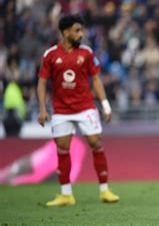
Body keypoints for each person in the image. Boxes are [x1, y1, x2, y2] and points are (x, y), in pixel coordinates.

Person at [37, 14, 119, 206]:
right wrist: (42, 109)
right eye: (77, 30)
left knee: (95, 142)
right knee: (63, 148)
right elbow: (42, 83)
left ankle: (105, 190)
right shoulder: (50, 55)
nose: (81, 34)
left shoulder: (87, 53)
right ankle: (66, 194)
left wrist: (105, 105)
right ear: (65, 33)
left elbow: (97, 80)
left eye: (81, 30)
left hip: (85, 106)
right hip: (61, 110)